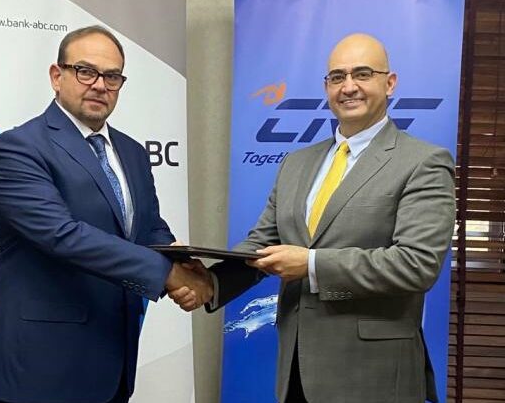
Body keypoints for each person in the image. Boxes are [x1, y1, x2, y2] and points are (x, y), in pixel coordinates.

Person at [170, 33, 456, 403]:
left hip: (376, 375)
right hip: (297, 371)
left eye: (362, 74)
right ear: (326, 87)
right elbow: (264, 244)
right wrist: (210, 282)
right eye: (337, 77)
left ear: (390, 83)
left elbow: (416, 264)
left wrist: (311, 264)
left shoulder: (424, 163)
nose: (348, 87)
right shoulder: (297, 163)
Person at [0, 25, 211, 403]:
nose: (100, 85)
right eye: (86, 71)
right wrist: (166, 274)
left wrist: (185, 264)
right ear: (57, 76)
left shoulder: (132, 152)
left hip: (111, 357)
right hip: (40, 365)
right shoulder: (18, 148)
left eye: (112, 76)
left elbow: (148, 228)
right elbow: (62, 235)